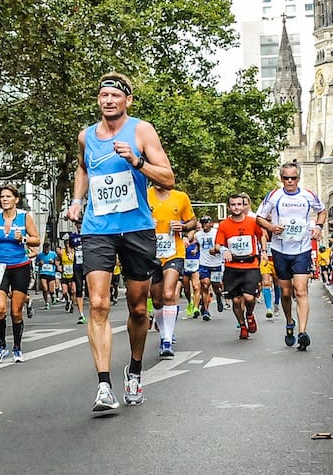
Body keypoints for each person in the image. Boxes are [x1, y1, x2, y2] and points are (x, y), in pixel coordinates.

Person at [67, 73, 177, 413]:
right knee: (98, 304)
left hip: (136, 229)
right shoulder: (87, 136)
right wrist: (76, 200)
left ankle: (135, 369)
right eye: (103, 95)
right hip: (98, 227)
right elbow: (83, 169)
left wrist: (137, 161)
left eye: (115, 95)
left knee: (138, 307)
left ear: (127, 100)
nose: (108, 101)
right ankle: (103, 385)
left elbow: (169, 178)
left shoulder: (142, 131)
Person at [255, 162, 326, 352]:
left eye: (293, 178)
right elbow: (259, 216)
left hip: (302, 250)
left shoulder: (308, 195)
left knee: (301, 290)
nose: (289, 181)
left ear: (298, 178)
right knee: (286, 293)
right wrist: (271, 228)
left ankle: (303, 332)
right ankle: (289, 322)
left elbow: (322, 210)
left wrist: (318, 227)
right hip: (280, 250)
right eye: (286, 178)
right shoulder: (274, 195)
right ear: (281, 178)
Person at [0, 184, 38, 363]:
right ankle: (0, 346)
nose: (5, 199)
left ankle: (17, 347)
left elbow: (36, 240)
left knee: (16, 312)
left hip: (20, 267)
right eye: (2, 197)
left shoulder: (24, 217)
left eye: (8, 196)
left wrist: (23, 239)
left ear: (16, 199)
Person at [147, 180, 194, 357]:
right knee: (157, 300)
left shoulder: (180, 197)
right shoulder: (144, 195)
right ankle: (164, 333)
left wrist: (182, 226)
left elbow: (192, 222)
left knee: (169, 294)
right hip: (150, 254)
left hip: (174, 253)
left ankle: (167, 340)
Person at [216, 195, 264, 340]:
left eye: (239, 204)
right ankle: (242, 325)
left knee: (249, 298)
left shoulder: (252, 221)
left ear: (244, 206)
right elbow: (218, 243)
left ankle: (249, 314)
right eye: (233, 205)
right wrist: (224, 250)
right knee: (236, 300)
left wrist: (264, 252)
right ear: (229, 207)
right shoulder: (224, 225)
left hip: (251, 265)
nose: (236, 207)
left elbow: (262, 235)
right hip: (232, 266)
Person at [194, 215, 224, 315]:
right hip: (204, 263)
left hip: (216, 263)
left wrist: (216, 250)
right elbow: (198, 245)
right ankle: (206, 310)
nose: (204, 225)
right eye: (203, 223)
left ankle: (219, 296)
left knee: (216, 285)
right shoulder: (198, 235)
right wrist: (195, 249)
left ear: (211, 223)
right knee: (205, 284)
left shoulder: (217, 233)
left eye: (206, 223)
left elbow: (222, 244)